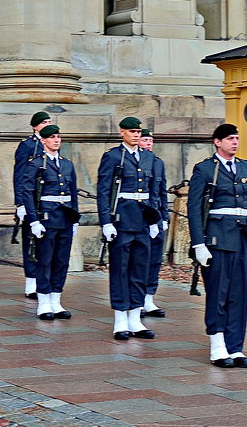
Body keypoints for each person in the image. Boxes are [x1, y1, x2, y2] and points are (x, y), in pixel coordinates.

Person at [187, 123, 247, 368]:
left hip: (239, 239)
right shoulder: (206, 169)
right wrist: (199, 243)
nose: (235, 142)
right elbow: (194, 209)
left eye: (237, 138)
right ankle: (218, 345)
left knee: (238, 296)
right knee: (218, 294)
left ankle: (236, 346)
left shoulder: (246, 167)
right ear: (217, 142)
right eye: (230, 138)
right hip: (216, 239)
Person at [97, 116, 160, 340]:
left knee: (140, 270)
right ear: (122, 132)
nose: (136, 135)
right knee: (120, 270)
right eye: (131, 131)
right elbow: (104, 191)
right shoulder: (113, 156)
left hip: (142, 220)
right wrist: (106, 221)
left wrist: (155, 219)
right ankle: (120, 319)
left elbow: (153, 191)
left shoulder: (148, 157)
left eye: (138, 132)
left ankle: (135, 317)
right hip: (122, 219)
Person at [17, 124, 80, 320]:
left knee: (61, 261)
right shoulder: (36, 164)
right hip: (46, 219)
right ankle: (44, 302)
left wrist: (75, 218)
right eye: (52, 137)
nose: (56, 140)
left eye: (58, 137)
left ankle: (56, 300)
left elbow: (73, 193)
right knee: (45, 260)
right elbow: (27, 192)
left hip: (64, 219)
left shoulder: (67, 164)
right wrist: (33, 220)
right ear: (43, 140)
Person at [13, 111, 51, 298]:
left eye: (49, 122)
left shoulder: (52, 143)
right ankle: (31, 281)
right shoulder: (27, 145)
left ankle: (44, 279)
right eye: (43, 122)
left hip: (47, 200)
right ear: (35, 126)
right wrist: (20, 203)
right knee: (30, 240)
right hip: (31, 199)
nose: (47, 125)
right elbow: (19, 175)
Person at [139, 128, 169, 318]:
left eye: (151, 140)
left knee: (155, 259)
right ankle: (137, 298)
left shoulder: (158, 163)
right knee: (140, 259)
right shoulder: (136, 162)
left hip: (156, 215)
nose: (148, 143)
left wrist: (164, 217)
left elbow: (162, 191)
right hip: (141, 215)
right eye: (145, 140)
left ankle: (149, 298)